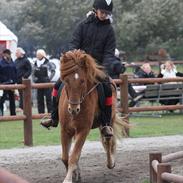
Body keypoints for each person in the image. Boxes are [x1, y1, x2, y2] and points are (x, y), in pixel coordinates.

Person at [41, 0, 116, 137]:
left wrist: (103, 68)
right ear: (95, 10)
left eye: (107, 13)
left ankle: (105, 124)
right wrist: (75, 61)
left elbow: (109, 53)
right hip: (79, 67)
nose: (104, 15)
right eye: (102, 12)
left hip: (97, 68)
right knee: (58, 85)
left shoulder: (109, 30)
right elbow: (74, 44)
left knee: (107, 89)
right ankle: (53, 117)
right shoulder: (83, 25)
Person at [32, 49, 55, 114]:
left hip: (47, 83)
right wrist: (34, 79)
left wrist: (49, 79)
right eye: (37, 55)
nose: (37, 56)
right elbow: (33, 72)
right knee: (39, 99)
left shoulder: (48, 63)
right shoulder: (35, 63)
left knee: (48, 99)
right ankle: (40, 113)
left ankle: (50, 112)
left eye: (39, 55)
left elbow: (53, 71)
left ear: (42, 55)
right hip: (38, 83)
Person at [0, 49, 17, 116]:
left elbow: (15, 72)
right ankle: (1, 114)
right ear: (5, 54)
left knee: (12, 99)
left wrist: (15, 82)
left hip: (12, 84)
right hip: (4, 84)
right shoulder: (1, 63)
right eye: (8, 54)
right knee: (2, 99)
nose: (9, 55)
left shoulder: (12, 62)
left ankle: (13, 114)